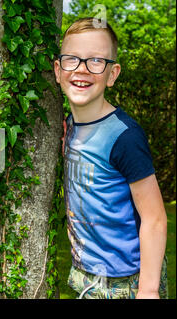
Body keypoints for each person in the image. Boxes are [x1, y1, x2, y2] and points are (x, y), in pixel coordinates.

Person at [55, 17, 168, 299]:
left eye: (96, 61)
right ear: (58, 70)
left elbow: (154, 218)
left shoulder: (124, 137)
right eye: (72, 60)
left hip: (128, 281)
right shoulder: (69, 127)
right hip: (85, 276)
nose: (81, 70)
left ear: (113, 74)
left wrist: (149, 289)